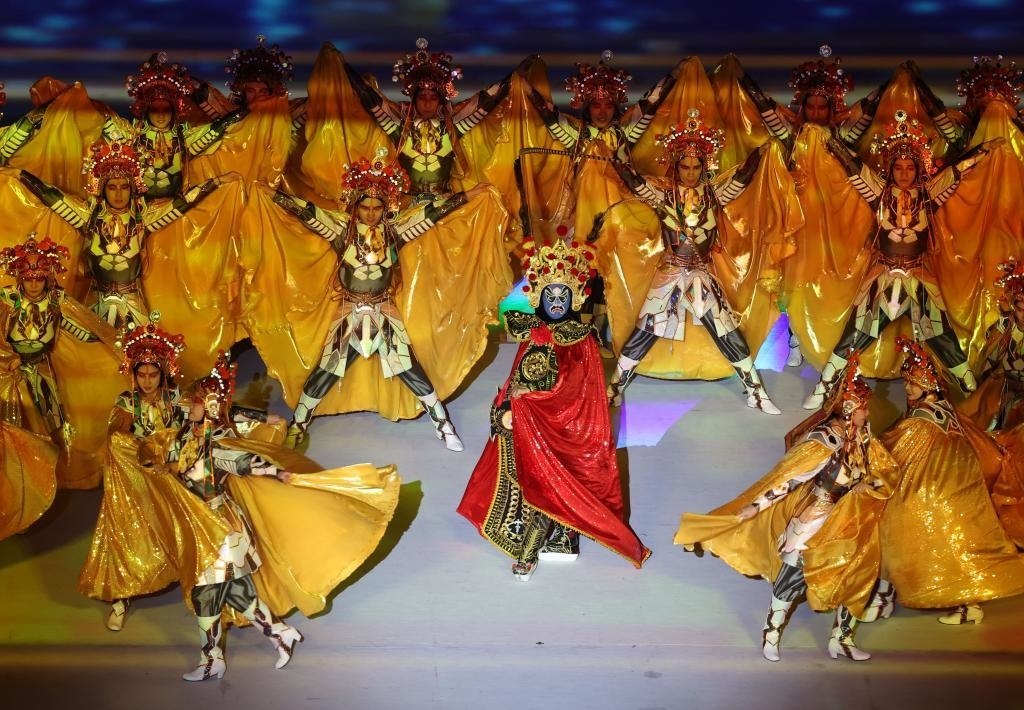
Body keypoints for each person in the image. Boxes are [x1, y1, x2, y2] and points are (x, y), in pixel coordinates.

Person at [675, 355, 898, 661]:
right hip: (817, 518)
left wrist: (869, 486)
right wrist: (755, 507)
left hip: (852, 521)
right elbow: (789, 480)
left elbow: (884, 473)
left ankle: (841, 640)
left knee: (855, 576)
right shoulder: (823, 442)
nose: (867, 413)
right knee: (792, 576)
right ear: (848, 409)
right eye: (863, 408)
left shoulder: (864, 439)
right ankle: (772, 632)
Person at [458, 232, 649, 580]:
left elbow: (578, 393)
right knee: (529, 483)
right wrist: (506, 406)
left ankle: (532, 552)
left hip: (559, 430)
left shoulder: (581, 341)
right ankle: (559, 534)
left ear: (574, 298)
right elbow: (517, 375)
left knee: (548, 487)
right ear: (539, 297)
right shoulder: (533, 332)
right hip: (524, 424)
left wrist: (533, 409)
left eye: (564, 296)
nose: (557, 302)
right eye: (551, 295)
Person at [802, 110, 1000, 408]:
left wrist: (984, 150)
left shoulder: (929, 195)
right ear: (890, 168)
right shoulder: (879, 193)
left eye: (910, 167)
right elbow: (853, 168)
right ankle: (824, 387)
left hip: (919, 278)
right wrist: (830, 143)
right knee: (855, 335)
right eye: (898, 167)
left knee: (942, 338)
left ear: (918, 168)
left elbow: (956, 172)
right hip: (882, 278)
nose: (904, 173)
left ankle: (973, 392)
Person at [272, 154, 466, 451]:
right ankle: (297, 424)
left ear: (385, 207)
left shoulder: (394, 232)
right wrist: (273, 195)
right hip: (349, 311)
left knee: (408, 368)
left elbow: (430, 216)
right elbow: (308, 213)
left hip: (382, 311)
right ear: (355, 206)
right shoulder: (342, 231)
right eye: (365, 207)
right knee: (327, 369)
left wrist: (467, 197)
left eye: (377, 207)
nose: (371, 213)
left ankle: (443, 424)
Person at [606, 110, 780, 414]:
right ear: (676, 165)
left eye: (696, 166)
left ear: (704, 165)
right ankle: (615, 388)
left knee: (725, 330)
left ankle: (755, 391)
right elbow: (633, 181)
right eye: (684, 166)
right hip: (670, 272)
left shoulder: (714, 194)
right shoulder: (663, 196)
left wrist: (762, 152)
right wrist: (614, 159)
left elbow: (743, 178)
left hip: (700, 274)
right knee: (646, 331)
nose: (690, 172)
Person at [871, 337, 1024, 626]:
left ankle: (884, 598)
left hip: (942, 495)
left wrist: (866, 451)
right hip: (960, 493)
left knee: (890, 530)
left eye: (913, 383)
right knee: (960, 553)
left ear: (927, 385)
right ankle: (966, 607)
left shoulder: (919, 420)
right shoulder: (947, 410)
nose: (907, 388)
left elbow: (894, 453)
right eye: (906, 382)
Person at [18, 139, 224, 329]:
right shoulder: (88, 216)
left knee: (144, 348)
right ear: (103, 189)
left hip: (132, 301)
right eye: (112, 187)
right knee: (85, 349)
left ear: (132, 188)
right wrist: (20, 175)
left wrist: (216, 182)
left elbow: (184, 202)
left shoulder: (144, 218)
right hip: (95, 299)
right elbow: (50, 195)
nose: (118, 194)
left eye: (124, 187)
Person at [80, 322, 187, 632]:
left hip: (175, 471)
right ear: (133, 374)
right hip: (139, 476)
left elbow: (191, 431)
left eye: (153, 374)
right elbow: (116, 439)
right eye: (142, 375)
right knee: (128, 527)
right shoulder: (127, 402)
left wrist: (173, 461)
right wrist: (145, 457)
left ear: (163, 373)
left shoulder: (177, 398)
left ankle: (197, 578)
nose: (147, 381)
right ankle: (122, 596)